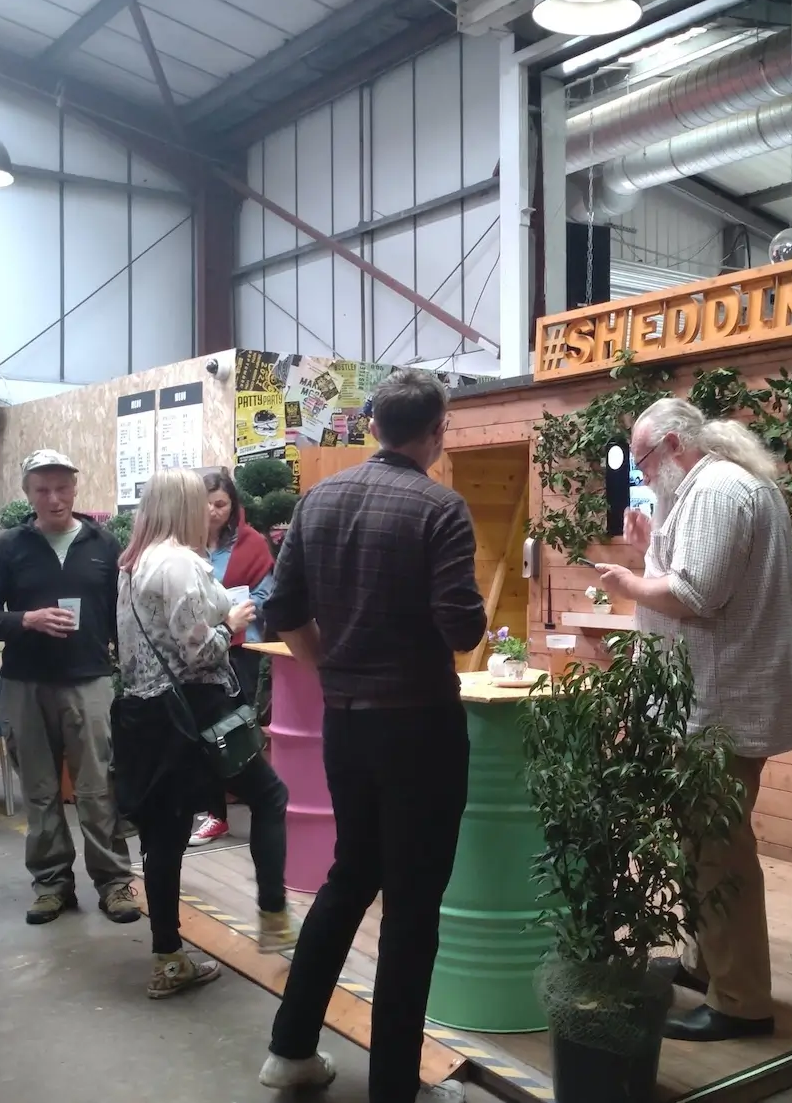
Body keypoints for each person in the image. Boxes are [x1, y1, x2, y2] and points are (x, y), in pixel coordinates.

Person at [258, 367, 484, 1103]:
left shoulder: (318, 500)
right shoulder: (440, 509)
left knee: (351, 876)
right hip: (420, 727)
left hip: (345, 725)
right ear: (437, 430)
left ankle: (290, 1049)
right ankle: (395, 1088)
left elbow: (281, 608)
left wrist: (332, 669)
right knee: (414, 906)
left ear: (373, 424)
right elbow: (462, 625)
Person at [595, 396, 792, 1043]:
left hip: (720, 705)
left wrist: (627, 583)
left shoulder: (716, 490)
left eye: (642, 459)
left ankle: (741, 999)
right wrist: (649, 544)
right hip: (715, 700)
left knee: (720, 851)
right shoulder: (715, 486)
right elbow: (696, 572)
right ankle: (705, 963)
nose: (640, 472)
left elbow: (695, 594)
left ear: (673, 446)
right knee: (703, 842)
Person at [113, 468, 295, 1000]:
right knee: (270, 794)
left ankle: (167, 957)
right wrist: (234, 622)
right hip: (196, 713)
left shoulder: (132, 565)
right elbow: (201, 650)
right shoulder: (182, 564)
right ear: (187, 508)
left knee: (163, 837)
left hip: (145, 718)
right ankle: (274, 917)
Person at [0, 449, 138, 926]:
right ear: (28, 494)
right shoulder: (8, 547)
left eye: (62, 487)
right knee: (41, 791)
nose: (54, 498)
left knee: (97, 787)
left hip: (89, 682)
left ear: (74, 488)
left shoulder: (103, 545)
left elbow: (122, 617)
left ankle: (113, 883)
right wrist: (25, 619)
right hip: (25, 685)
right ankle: (51, 884)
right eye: (42, 489)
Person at [187, 467, 276, 848]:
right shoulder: (183, 544)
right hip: (197, 649)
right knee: (202, 732)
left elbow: (266, 590)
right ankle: (214, 814)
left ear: (233, 504)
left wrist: (240, 613)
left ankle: (261, 803)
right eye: (205, 505)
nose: (213, 512)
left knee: (237, 729)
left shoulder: (251, 542)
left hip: (240, 649)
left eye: (221, 504)